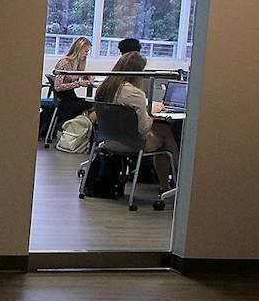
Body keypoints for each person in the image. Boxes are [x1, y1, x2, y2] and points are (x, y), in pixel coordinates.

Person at [94, 51, 179, 192]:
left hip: (108, 140)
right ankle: (175, 179)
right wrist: (152, 113)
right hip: (132, 143)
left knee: (162, 132)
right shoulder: (136, 93)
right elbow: (142, 129)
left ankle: (169, 183)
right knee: (165, 135)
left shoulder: (104, 88)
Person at [51, 37, 96, 130]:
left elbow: (76, 76)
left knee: (94, 105)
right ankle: (83, 131)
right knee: (95, 106)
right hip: (65, 100)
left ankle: (82, 130)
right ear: (79, 49)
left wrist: (87, 76)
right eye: (86, 51)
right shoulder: (65, 63)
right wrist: (78, 84)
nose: (87, 54)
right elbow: (58, 86)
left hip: (71, 97)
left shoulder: (77, 64)